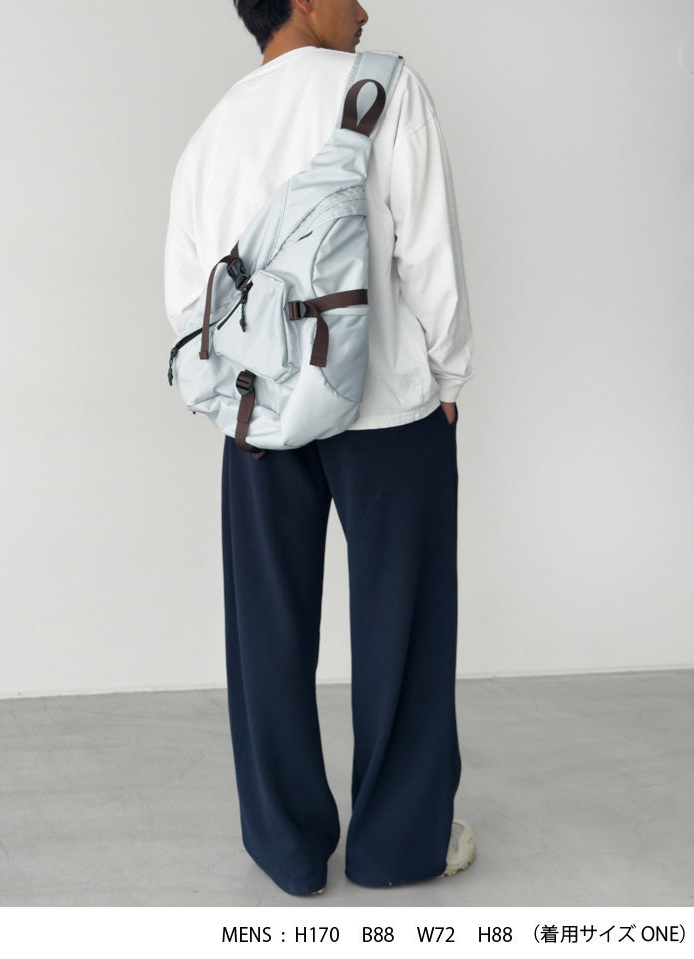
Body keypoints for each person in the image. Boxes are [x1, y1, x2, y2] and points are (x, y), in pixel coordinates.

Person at [164, 0, 476, 896]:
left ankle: (287, 850)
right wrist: (449, 374)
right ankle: (396, 847)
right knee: (404, 631)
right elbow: (430, 257)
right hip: (390, 412)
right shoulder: (387, 91)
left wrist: (244, 404)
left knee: (266, 630)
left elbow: (189, 305)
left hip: (261, 420)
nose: (365, 9)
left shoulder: (214, 132)